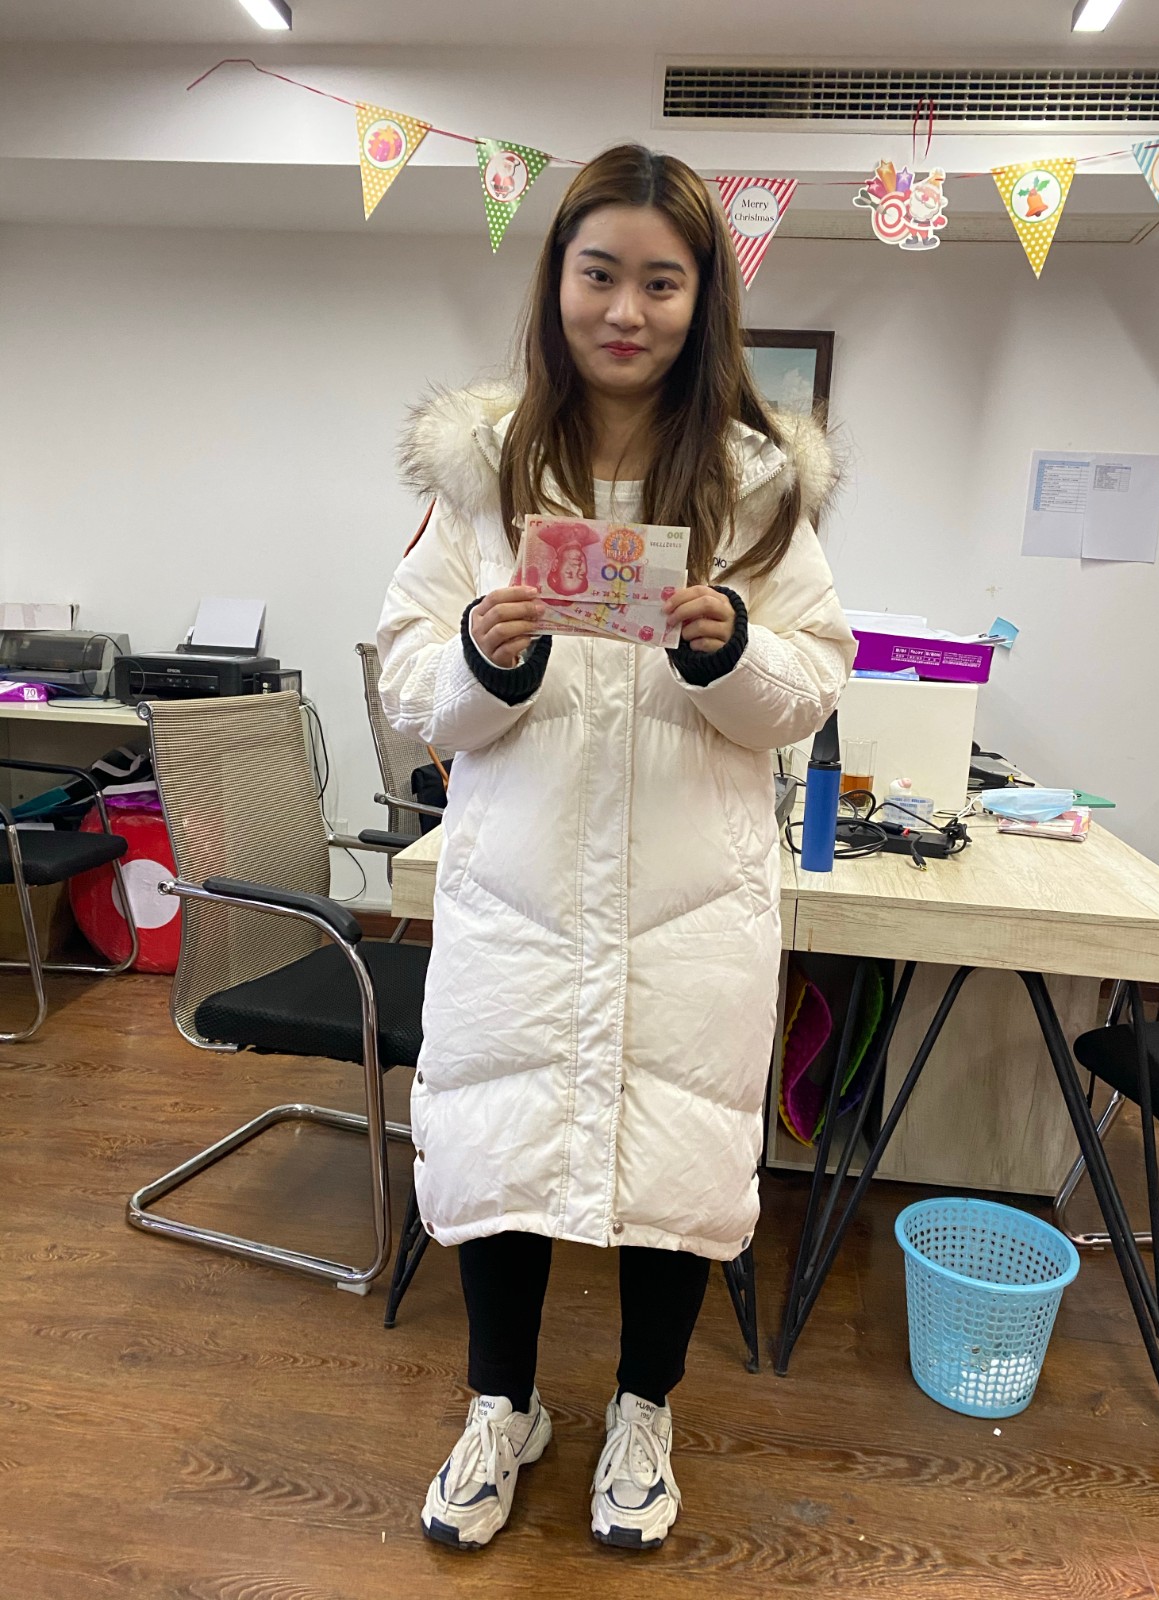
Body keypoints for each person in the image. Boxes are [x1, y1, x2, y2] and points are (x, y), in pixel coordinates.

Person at [377, 142, 855, 1553]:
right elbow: (410, 683)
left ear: (704, 299)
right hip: (516, 890)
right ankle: (500, 1407)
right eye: (601, 273)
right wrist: (483, 654)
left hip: (690, 899)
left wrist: (731, 649)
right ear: (558, 281)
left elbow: (811, 684)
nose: (626, 309)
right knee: (502, 1145)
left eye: (661, 280)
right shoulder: (482, 475)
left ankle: (646, 1410)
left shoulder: (757, 489)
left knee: (677, 1167)